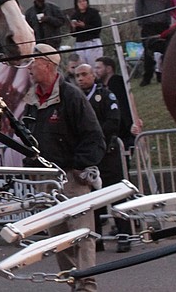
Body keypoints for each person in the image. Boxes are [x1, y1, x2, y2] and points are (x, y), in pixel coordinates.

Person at [23, 44, 105, 292]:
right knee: (58, 239)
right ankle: (73, 284)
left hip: (72, 177)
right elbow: (28, 137)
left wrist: (80, 167)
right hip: (47, 178)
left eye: (32, 62)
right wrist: (31, 164)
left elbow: (94, 136)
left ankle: (87, 286)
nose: (28, 67)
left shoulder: (71, 95)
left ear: (47, 64)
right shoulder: (31, 100)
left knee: (82, 235)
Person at [74, 64, 131, 253]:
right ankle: (96, 239)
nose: (80, 78)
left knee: (116, 196)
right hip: (89, 157)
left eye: (84, 74)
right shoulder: (75, 99)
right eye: (77, 76)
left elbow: (114, 120)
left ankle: (124, 236)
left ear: (93, 75)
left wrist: (95, 137)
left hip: (108, 153)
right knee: (93, 200)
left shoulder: (105, 95)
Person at [94, 56, 143, 149]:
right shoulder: (102, 86)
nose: (95, 70)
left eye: (98, 67)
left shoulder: (116, 82)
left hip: (124, 131)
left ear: (108, 69)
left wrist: (130, 125)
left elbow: (124, 106)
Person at [134, 0, 171, 86]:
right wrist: (141, 21)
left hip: (162, 25)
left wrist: (167, 21)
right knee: (148, 54)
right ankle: (147, 77)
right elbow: (138, 6)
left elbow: (168, 8)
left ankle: (162, 75)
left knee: (164, 52)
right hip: (148, 26)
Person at [70, 0, 103, 64]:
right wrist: (73, 27)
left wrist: (84, 26)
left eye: (84, 1)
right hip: (80, 43)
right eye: (79, 2)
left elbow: (97, 29)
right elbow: (73, 34)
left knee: (93, 64)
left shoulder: (93, 13)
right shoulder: (75, 15)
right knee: (82, 65)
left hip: (92, 41)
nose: (82, 3)